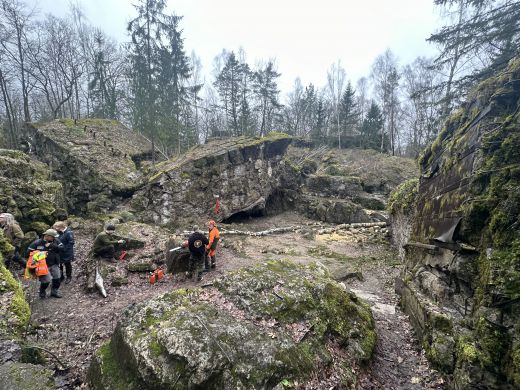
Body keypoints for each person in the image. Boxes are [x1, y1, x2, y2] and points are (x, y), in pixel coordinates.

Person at [27, 229, 64, 299]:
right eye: (52, 237)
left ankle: (54, 291)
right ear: (47, 236)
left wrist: (52, 245)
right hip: (43, 266)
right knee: (46, 280)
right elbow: (28, 253)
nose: (54, 238)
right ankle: (42, 291)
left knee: (57, 278)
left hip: (54, 263)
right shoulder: (37, 243)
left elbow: (62, 248)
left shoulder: (55, 241)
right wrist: (39, 254)